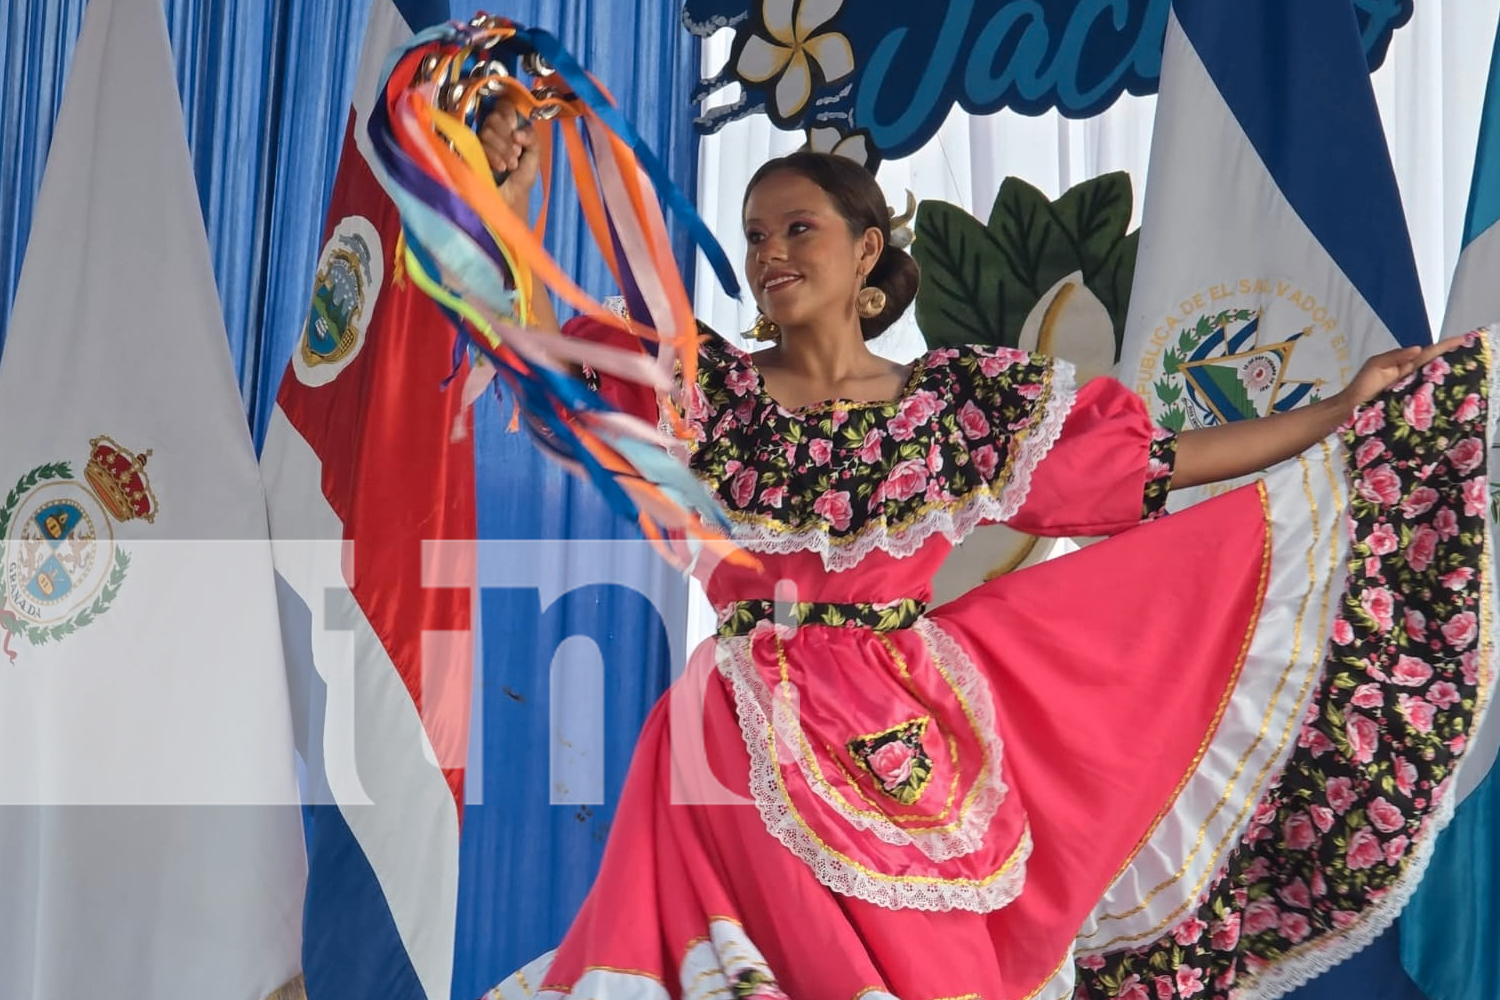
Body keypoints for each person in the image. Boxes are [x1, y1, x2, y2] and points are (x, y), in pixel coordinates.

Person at [476, 109, 1494, 1000]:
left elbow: (1155, 467)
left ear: (868, 248)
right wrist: (507, 210)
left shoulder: (952, 412)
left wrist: (1338, 410)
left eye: (799, 228)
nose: (771, 253)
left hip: (908, 732)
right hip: (736, 728)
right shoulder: (704, 394)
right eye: (754, 236)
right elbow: (527, 353)